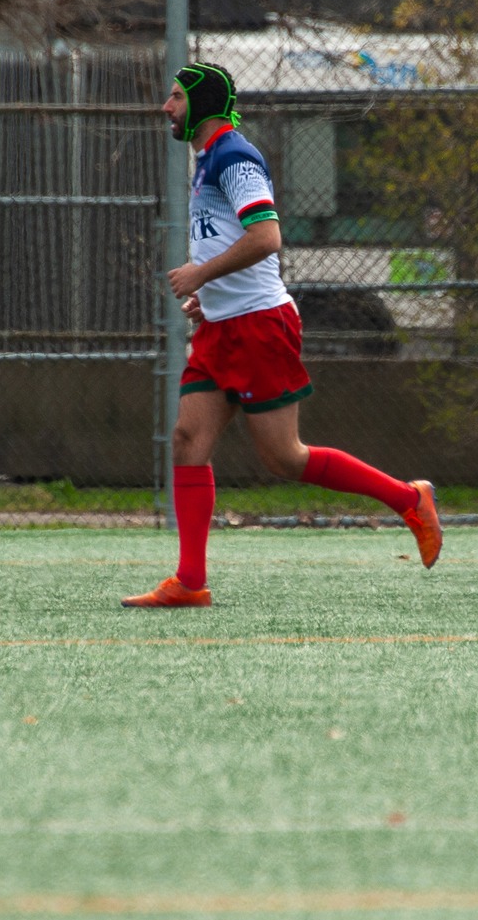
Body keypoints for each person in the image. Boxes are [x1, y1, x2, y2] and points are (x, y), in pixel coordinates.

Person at [122, 62, 445, 608]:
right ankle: (191, 582)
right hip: (223, 325)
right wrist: (212, 294)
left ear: (201, 105)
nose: (167, 107)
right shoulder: (206, 160)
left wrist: (200, 275)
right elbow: (229, 239)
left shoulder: (234, 155)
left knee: (284, 458)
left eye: (176, 97)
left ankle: (408, 499)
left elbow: (267, 237)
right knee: (186, 441)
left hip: (259, 327)